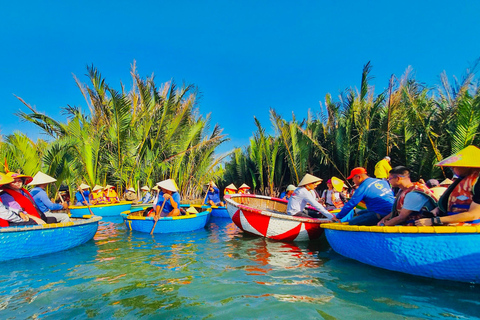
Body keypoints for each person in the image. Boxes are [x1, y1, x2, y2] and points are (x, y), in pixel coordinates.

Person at [416, 145, 480, 226]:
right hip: (452, 228)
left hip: (471, 231)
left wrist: (435, 220)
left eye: (454, 166)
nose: (452, 168)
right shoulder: (461, 180)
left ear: (468, 166)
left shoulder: (477, 182)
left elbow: (474, 214)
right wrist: (437, 210)